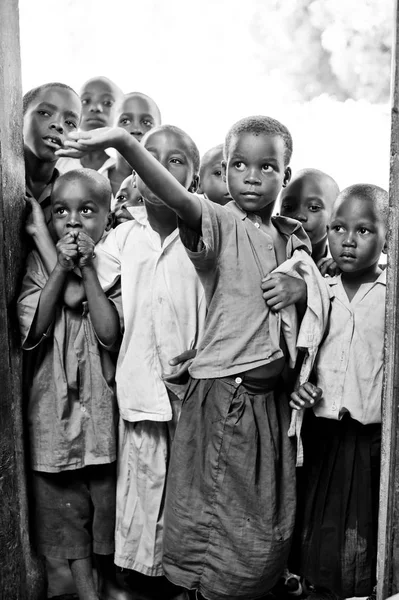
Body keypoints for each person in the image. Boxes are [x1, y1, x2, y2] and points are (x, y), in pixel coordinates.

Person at [57, 114, 312, 600]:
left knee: (258, 515)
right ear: (224, 173)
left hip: (271, 404)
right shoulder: (217, 220)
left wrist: (300, 287)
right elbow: (173, 195)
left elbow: (312, 306)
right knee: (208, 514)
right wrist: (125, 144)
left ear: (287, 174)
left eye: (266, 167)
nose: (251, 176)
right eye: (238, 164)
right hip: (225, 398)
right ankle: (199, 590)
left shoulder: (291, 236)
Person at [63, 125, 205, 598]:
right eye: (152, 157)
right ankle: (145, 581)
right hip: (143, 387)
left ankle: (187, 579)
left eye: (176, 159)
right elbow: (79, 289)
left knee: (191, 490)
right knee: (143, 491)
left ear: (197, 176)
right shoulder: (126, 236)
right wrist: (73, 253)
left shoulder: (207, 229)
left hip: (195, 390)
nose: (160, 166)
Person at [18, 169, 124, 600]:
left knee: (105, 513)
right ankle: (86, 593)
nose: (74, 222)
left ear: (108, 217)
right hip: (53, 412)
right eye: (61, 211)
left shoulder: (115, 262)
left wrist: (83, 272)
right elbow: (35, 325)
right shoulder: (38, 265)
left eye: (87, 211)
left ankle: (106, 586)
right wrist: (59, 266)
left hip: (102, 412)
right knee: (63, 514)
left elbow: (109, 333)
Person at [290, 184, 388, 598]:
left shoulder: (390, 295)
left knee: (361, 533)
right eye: (338, 228)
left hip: (368, 438)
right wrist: (300, 389)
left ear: (388, 237)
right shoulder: (319, 290)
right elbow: (301, 354)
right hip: (321, 433)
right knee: (315, 531)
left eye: (364, 230)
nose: (348, 240)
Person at [23, 82, 81, 225]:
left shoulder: (74, 195)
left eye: (70, 123)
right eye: (44, 113)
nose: (58, 125)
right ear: (18, 118)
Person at [57, 76, 123, 174]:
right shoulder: (58, 161)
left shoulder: (127, 167)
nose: (95, 108)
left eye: (107, 103)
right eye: (85, 101)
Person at [105, 92, 162, 197]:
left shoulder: (169, 188)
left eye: (147, 123)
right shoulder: (91, 178)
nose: (136, 129)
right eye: (125, 121)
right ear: (111, 128)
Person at [279, 168, 340, 265]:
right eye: (288, 207)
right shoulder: (265, 262)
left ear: (335, 218)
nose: (299, 216)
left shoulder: (343, 272)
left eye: (314, 207)